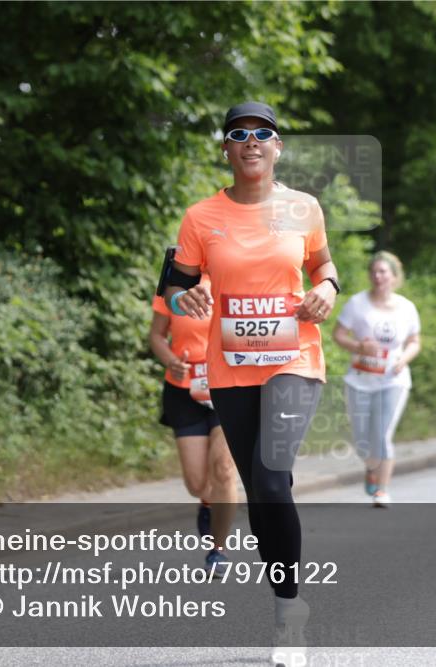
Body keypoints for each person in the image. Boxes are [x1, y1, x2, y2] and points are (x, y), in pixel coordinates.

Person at [163, 102, 339, 666]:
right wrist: (184, 299)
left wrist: (327, 290)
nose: (251, 141)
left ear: (277, 147)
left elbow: (324, 267)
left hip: (294, 360)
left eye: (263, 133)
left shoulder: (303, 207)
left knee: (268, 477)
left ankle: (288, 616)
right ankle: (286, 601)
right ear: (227, 150)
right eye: (239, 134)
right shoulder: (201, 217)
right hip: (231, 368)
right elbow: (174, 289)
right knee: (263, 490)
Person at [149, 273, 238, 574]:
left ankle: (219, 550)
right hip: (184, 389)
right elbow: (157, 336)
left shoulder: (231, 274)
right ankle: (208, 502)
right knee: (197, 484)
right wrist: (171, 361)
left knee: (223, 468)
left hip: (227, 386)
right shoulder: (173, 284)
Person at [332, 251, 421, 507]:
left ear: (394, 276)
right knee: (362, 441)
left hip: (393, 380)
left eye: (383, 271)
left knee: (382, 435)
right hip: (359, 380)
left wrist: (404, 359)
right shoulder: (357, 304)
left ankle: (382, 490)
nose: (378, 276)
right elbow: (338, 335)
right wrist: (359, 346)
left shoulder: (406, 307)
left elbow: (415, 341)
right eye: (374, 271)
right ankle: (371, 467)